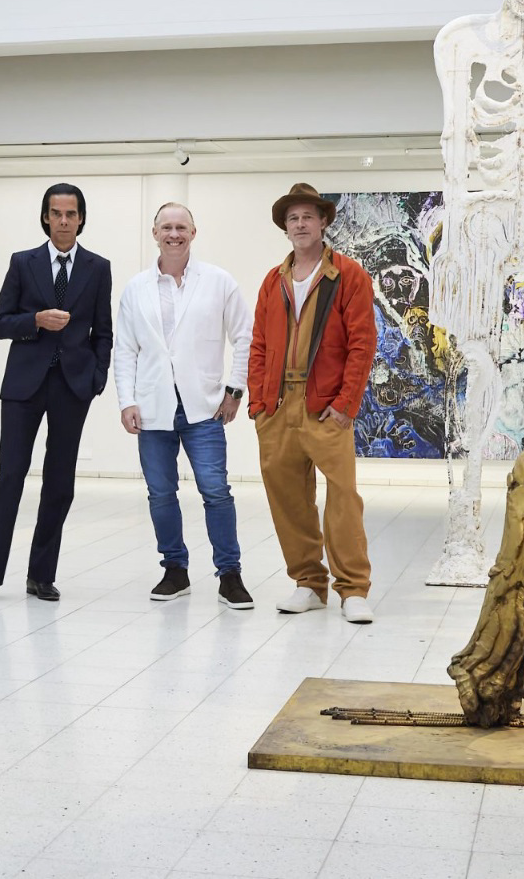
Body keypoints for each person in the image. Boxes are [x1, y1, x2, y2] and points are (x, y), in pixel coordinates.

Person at [0, 184, 112, 604]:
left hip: (72, 387)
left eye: (71, 214)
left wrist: (96, 378)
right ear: (45, 217)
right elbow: (0, 323)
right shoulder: (22, 263)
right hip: (23, 385)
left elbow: (103, 332)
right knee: (10, 476)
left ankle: (41, 575)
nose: (64, 221)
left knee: (59, 482)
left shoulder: (98, 267)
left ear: (81, 218)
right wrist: (35, 320)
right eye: (56, 213)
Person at [249, 183, 377, 623]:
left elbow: (363, 344)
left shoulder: (348, 275)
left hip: (326, 407)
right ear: (285, 228)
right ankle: (308, 583)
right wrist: (259, 403)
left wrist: (346, 404)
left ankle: (353, 589)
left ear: (323, 222)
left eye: (307, 217)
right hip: (277, 405)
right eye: (293, 219)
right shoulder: (274, 280)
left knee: (342, 496)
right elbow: (259, 344)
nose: (300, 224)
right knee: (287, 497)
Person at [115, 203, 253, 608]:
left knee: (216, 492)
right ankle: (174, 569)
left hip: (204, 407)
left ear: (194, 232)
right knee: (160, 494)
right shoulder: (136, 288)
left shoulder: (218, 281)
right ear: (154, 233)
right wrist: (127, 400)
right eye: (166, 227)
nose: (174, 234)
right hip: (153, 408)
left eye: (181, 227)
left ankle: (230, 574)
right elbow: (124, 349)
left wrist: (235, 389)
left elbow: (244, 337)